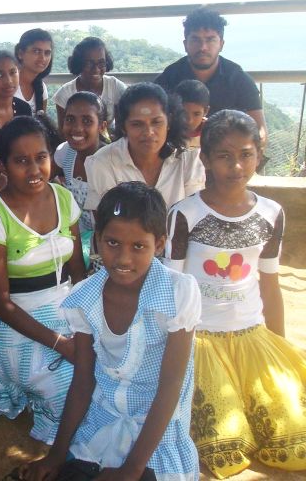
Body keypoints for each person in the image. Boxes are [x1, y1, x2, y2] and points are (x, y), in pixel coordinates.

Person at [24, 182, 201, 481]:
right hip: (103, 421)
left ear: (159, 244)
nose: (123, 259)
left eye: (138, 247)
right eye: (112, 243)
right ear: (97, 241)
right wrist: (56, 455)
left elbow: (171, 386)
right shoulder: (85, 298)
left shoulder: (178, 293)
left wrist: (131, 470)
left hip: (156, 432)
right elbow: (83, 380)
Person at [164, 110, 306, 478]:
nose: (236, 165)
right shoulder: (185, 214)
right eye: (224, 156)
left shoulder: (272, 214)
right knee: (226, 451)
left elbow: (270, 284)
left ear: (259, 155)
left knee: (292, 442)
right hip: (199, 340)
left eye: (246, 154)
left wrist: (279, 351)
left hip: (252, 338)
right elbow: (171, 288)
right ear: (206, 159)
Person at [0, 116, 85, 443]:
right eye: (21, 161)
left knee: (107, 374)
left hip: (68, 311)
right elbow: (1, 305)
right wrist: (62, 343)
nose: (34, 170)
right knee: (70, 392)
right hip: (20, 322)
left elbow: (78, 272)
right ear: (3, 165)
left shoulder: (63, 198)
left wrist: (84, 325)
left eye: (41, 158)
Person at [154, 7, 268, 148]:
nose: (203, 47)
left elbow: (260, 131)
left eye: (210, 40)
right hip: (178, 158)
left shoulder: (238, 79)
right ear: (185, 44)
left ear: (221, 44)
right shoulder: (170, 77)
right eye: (195, 40)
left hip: (225, 157)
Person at [84, 82, 204, 213]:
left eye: (156, 122)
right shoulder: (103, 162)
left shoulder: (189, 161)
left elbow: (194, 219)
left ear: (169, 121)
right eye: (137, 124)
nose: (148, 132)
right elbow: (107, 223)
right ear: (124, 127)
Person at [54, 92, 109, 268]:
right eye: (70, 119)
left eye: (87, 121)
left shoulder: (110, 163)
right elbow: (40, 172)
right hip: (75, 235)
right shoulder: (65, 153)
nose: (77, 128)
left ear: (101, 126)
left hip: (104, 241)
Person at [53, 37, 126, 132]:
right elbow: (63, 132)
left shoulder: (115, 87)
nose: (96, 69)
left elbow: (121, 129)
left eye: (101, 63)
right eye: (89, 63)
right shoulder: (64, 94)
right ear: (79, 63)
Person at [13, 28, 53, 115]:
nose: (43, 58)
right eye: (36, 51)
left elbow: (41, 125)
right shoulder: (3, 84)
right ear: (20, 54)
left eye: (47, 53)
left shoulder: (41, 88)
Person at [170, 79, 209, 149]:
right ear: (175, 109)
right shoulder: (167, 130)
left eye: (196, 114)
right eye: (183, 113)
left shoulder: (211, 132)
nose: (189, 120)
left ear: (206, 111)